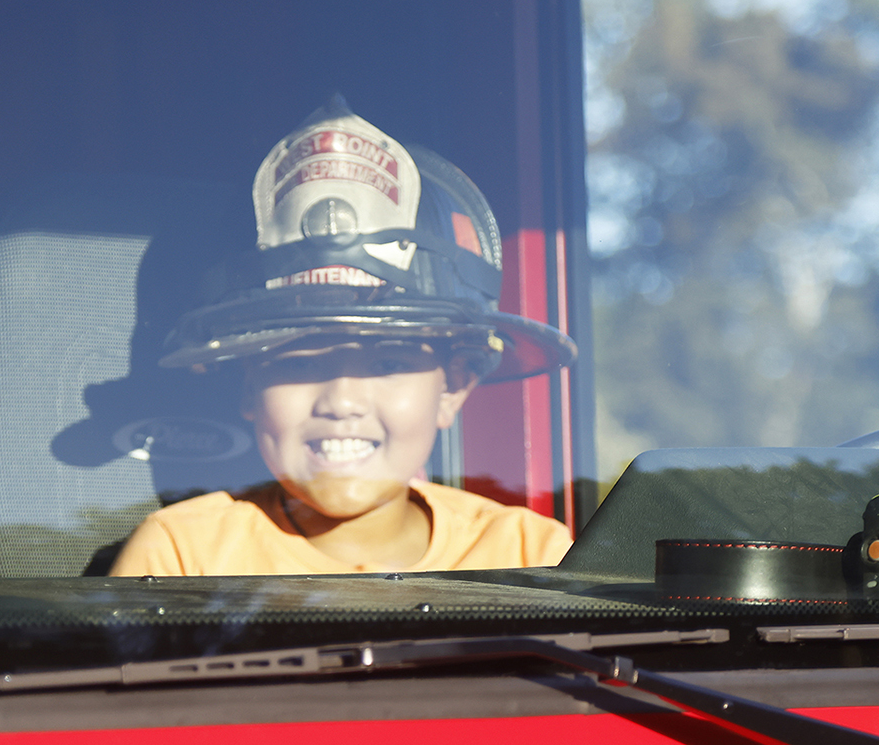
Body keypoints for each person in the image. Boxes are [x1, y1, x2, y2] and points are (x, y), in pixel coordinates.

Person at [112, 100, 577, 577]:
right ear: (249, 386)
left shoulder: (533, 558)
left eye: (388, 364)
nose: (342, 401)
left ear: (453, 389)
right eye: (298, 363)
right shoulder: (181, 560)